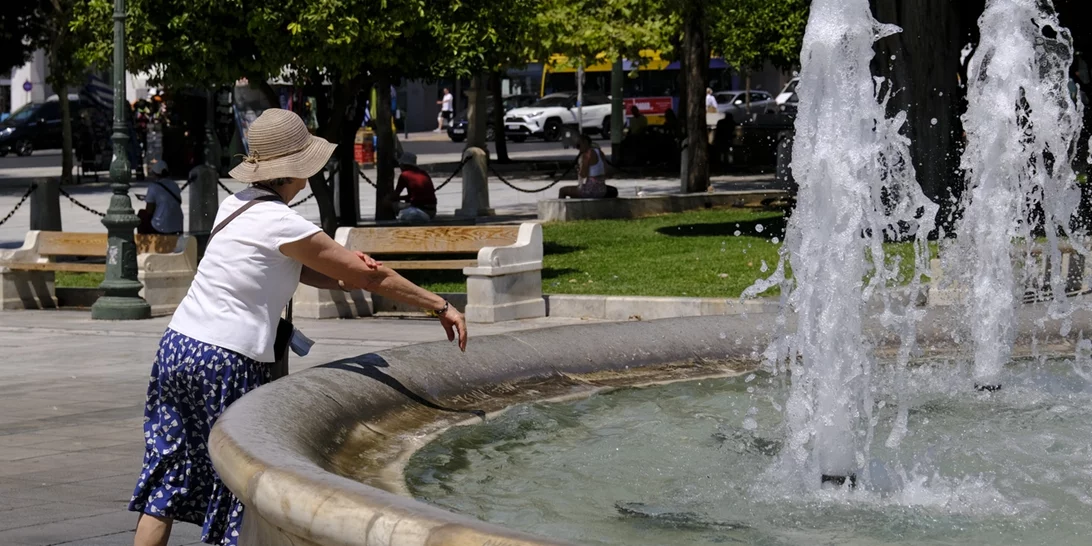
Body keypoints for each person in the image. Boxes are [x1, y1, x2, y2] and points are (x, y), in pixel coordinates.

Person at [128, 109, 468, 546]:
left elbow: (295, 269)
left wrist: (344, 272)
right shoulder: (283, 223)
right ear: (297, 170)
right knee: (239, 487)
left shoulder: (236, 205)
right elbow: (371, 278)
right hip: (226, 359)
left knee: (168, 478)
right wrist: (439, 305)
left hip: (178, 348)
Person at [559, 135, 618, 199]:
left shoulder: (586, 155)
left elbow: (583, 175)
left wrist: (579, 169)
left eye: (579, 145)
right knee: (574, 193)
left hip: (589, 191)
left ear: (585, 142)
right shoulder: (600, 152)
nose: (578, 148)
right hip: (602, 190)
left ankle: (559, 209)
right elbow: (608, 172)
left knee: (562, 190)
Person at [137, 161, 183, 235]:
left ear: (155, 174)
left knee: (141, 214)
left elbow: (149, 210)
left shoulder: (153, 187)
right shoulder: (175, 185)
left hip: (160, 227)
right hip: (177, 225)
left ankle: (146, 241)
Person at [391, 152, 438, 223]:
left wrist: (388, 198)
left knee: (390, 204)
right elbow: (416, 195)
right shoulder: (424, 173)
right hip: (432, 211)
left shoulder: (404, 175)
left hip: (418, 210)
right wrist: (402, 198)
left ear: (403, 165)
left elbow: (395, 196)